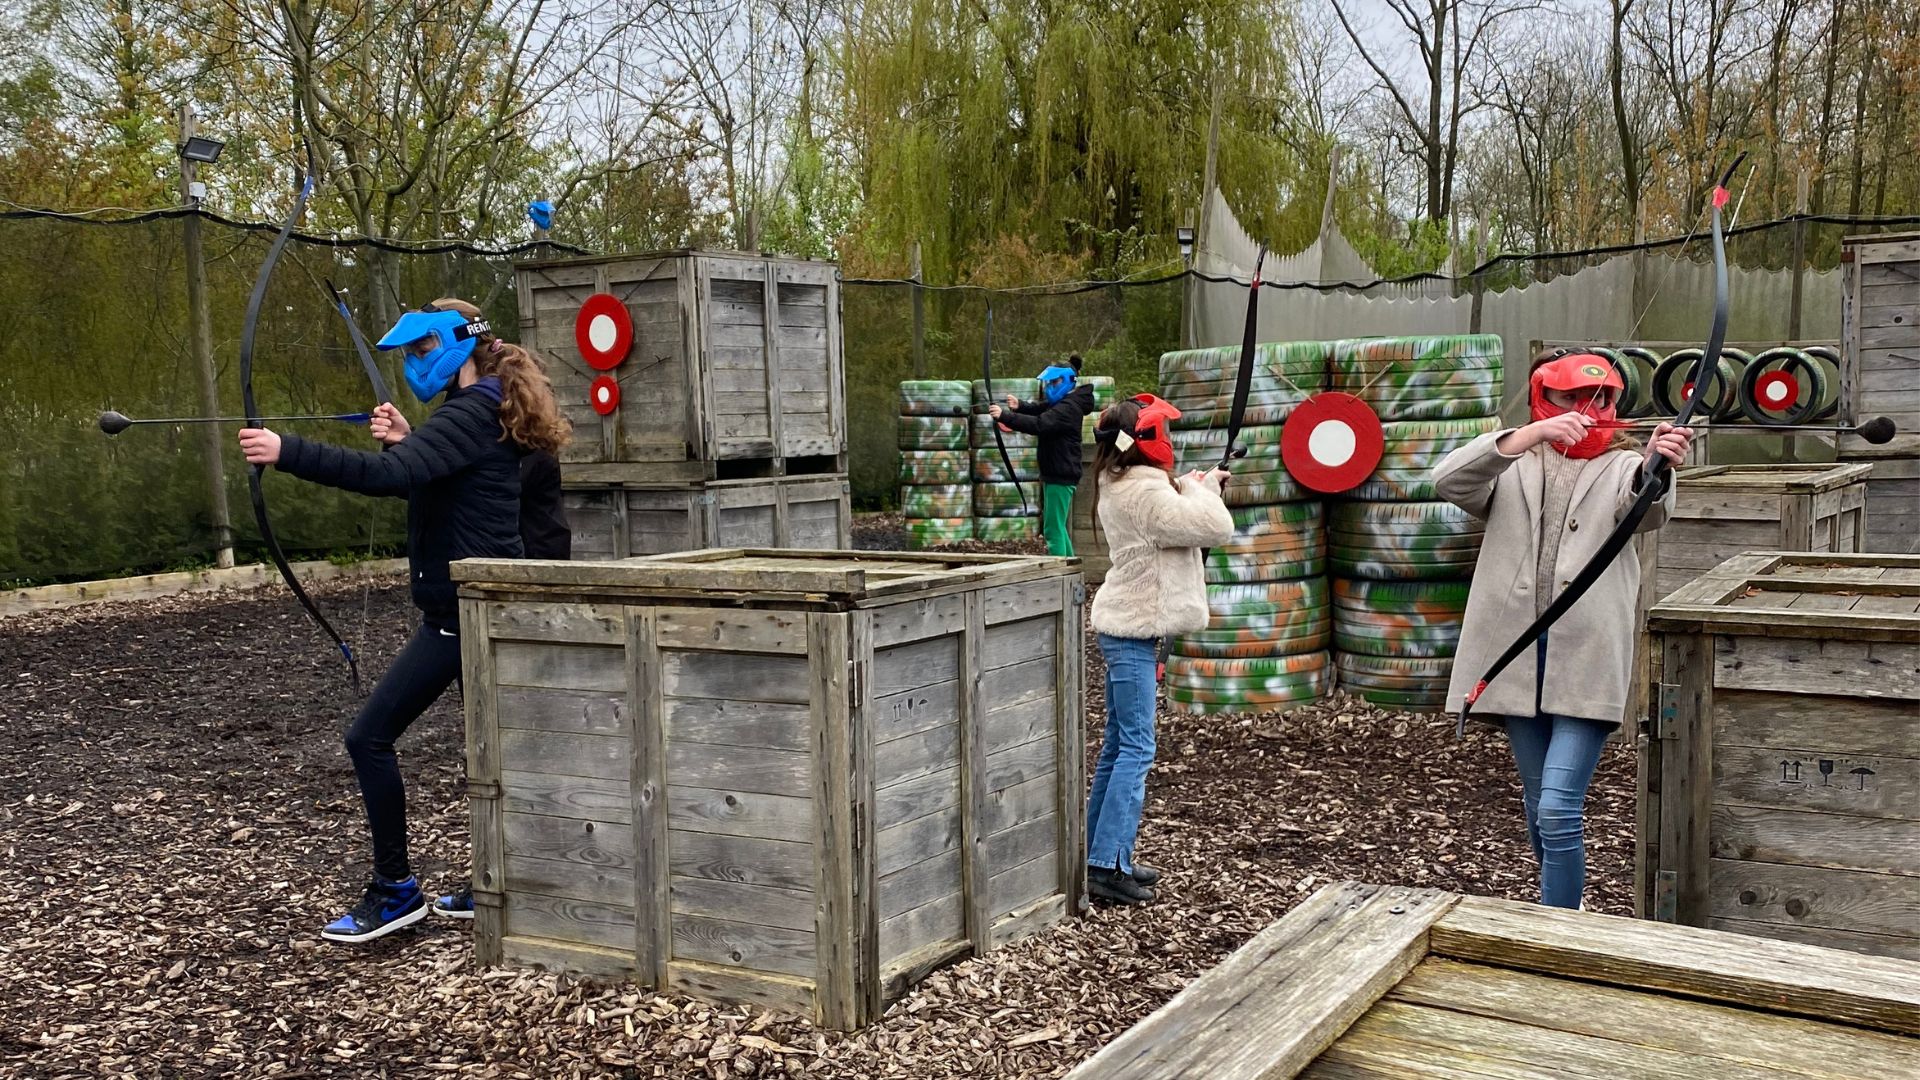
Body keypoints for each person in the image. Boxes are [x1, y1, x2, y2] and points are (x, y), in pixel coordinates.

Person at [237, 297, 569, 943]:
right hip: (481, 607)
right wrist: (414, 445)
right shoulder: (486, 405)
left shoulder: (474, 409)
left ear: (458, 344)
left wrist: (286, 450)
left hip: (466, 612)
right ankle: (498, 882)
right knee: (497, 750)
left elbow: (386, 477)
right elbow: (447, 479)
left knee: (369, 739)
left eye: (421, 350)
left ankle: (395, 892)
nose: (416, 363)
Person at [1432, 350, 1691, 910]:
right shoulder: (1513, 465)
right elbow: (1448, 480)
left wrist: (1657, 464)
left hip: (1587, 658)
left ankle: (1559, 931)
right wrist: (1528, 436)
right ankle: (1556, 912)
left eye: (1601, 399)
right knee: (1536, 802)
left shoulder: (1625, 468)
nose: (1587, 410)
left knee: (1557, 807)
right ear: (1544, 400)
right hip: (1515, 657)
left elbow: (1647, 508)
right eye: (1571, 398)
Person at [1083, 395, 1233, 904]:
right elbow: (1215, 526)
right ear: (1145, 441)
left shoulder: (1125, 483)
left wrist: (1198, 487)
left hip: (1128, 629)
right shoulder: (1144, 493)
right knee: (1137, 747)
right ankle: (1107, 864)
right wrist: (1202, 487)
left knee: (1119, 745)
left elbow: (1184, 517)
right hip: (1130, 632)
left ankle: (1101, 854)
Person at [988, 355, 1095, 557]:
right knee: (1058, 527)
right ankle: (1071, 572)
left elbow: (1040, 424)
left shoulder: (1068, 408)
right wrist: (1020, 405)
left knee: (1052, 531)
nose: (1050, 386)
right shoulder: (1067, 403)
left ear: (1067, 381)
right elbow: (1041, 409)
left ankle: (1060, 575)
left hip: (1060, 474)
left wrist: (1005, 416)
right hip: (1058, 472)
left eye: (1055, 382)